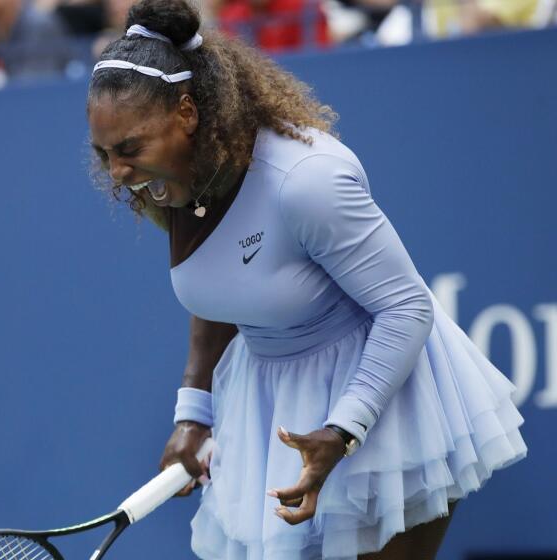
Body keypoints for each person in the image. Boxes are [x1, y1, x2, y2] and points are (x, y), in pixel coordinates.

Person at [85, 0, 527, 558]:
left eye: (129, 150)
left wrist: (343, 430)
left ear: (188, 113)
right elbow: (222, 289)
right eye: (104, 156)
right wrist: (194, 414)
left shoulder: (304, 181)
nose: (118, 174)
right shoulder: (175, 178)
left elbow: (407, 308)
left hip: (381, 396)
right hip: (271, 404)